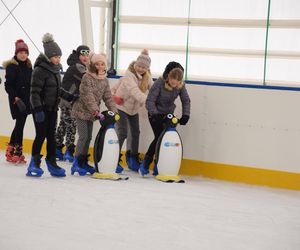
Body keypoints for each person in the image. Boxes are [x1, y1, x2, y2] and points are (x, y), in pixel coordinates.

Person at [139, 62, 191, 176]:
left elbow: (186, 100)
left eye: (177, 80)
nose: (175, 83)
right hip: (154, 113)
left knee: (164, 138)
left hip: (168, 114)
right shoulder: (159, 83)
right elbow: (150, 101)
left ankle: (159, 165)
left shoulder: (180, 85)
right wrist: (155, 114)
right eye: (173, 79)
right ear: (168, 75)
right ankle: (146, 163)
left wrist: (185, 115)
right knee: (159, 137)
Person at [26, 33, 66, 177]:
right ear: (49, 57)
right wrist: (37, 110)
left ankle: (51, 163)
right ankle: (34, 163)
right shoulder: (40, 70)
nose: (58, 59)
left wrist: (69, 96)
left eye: (59, 57)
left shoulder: (55, 70)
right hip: (41, 109)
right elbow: (34, 92)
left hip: (53, 109)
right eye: (55, 57)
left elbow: (57, 89)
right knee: (41, 135)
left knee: (51, 136)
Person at [71, 52, 117, 176]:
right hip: (81, 111)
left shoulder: (104, 79)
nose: (100, 66)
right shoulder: (87, 77)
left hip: (91, 114)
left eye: (102, 64)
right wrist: (96, 110)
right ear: (92, 65)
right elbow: (88, 96)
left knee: (89, 138)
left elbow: (108, 97)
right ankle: (76, 163)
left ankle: (83, 161)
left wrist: (114, 111)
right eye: (97, 64)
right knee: (83, 137)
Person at [111, 49, 153, 172]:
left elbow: (153, 89)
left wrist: (157, 99)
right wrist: (148, 102)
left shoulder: (147, 78)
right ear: (135, 64)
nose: (140, 69)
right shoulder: (129, 75)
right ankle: (113, 157)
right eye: (139, 66)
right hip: (122, 107)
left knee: (135, 132)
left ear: (147, 69)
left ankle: (132, 157)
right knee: (122, 131)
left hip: (133, 110)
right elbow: (134, 92)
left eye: (143, 67)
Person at [55, 45, 90, 162]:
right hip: (69, 101)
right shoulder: (77, 67)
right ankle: (68, 150)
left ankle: (57, 148)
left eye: (87, 55)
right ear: (78, 55)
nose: (85, 57)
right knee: (72, 125)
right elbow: (88, 77)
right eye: (83, 55)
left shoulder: (77, 65)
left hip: (67, 100)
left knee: (63, 125)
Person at [3, 39, 32, 163]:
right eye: (20, 52)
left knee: (19, 124)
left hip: (26, 100)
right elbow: (8, 85)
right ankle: (18, 151)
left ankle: (10, 148)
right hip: (17, 101)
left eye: (25, 52)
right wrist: (15, 97)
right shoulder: (12, 66)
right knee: (20, 124)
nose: (23, 54)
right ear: (16, 53)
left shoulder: (29, 67)